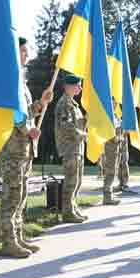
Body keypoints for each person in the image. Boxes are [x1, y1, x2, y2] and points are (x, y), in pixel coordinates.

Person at [0, 36, 52, 258]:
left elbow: (27, 111)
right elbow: (11, 112)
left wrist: (41, 102)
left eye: (27, 51)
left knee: (20, 193)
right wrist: (26, 129)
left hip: (24, 148)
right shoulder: (8, 80)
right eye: (23, 51)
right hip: (13, 147)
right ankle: (8, 240)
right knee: (11, 193)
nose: (27, 55)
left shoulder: (21, 81)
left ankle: (18, 236)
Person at [53, 74, 88, 224]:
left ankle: (73, 207)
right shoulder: (64, 104)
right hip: (69, 148)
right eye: (78, 85)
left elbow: (78, 123)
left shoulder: (74, 104)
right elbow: (66, 126)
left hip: (77, 147)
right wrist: (82, 134)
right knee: (71, 181)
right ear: (68, 86)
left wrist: (86, 119)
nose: (80, 88)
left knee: (77, 180)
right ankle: (67, 212)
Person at [101, 100, 122, 206]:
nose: (116, 104)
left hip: (116, 147)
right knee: (110, 172)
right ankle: (107, 196)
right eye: (114, 102)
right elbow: (108, 132)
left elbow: (119, 129)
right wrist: (116, 138)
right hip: (110, 147)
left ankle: (109, 195)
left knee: (113, 171)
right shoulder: (107, 116)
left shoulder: (115, 115)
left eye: (116, 103)